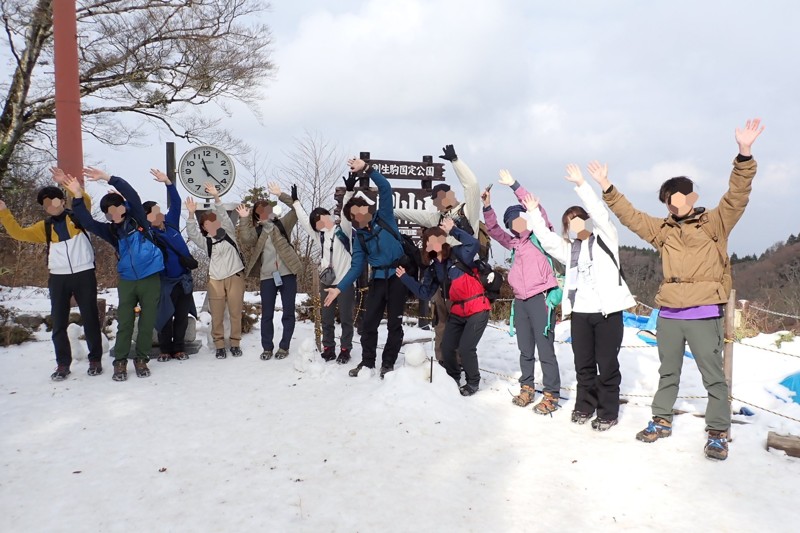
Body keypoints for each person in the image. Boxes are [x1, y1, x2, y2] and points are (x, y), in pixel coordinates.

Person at [598, 118, 764, 460]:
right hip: (670, 312)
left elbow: (737, 195)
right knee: (668, 370)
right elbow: (632, 216)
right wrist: (607, 188)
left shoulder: (716, 222)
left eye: (674, 199)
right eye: (666, 202)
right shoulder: (664, 230)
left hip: (705, 311)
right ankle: (661, 419)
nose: (671, 207)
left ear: (690, 197)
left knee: (713, 375)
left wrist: (744, 154)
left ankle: (718, 431)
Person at [523, 163, 636, 430]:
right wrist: (533, 213)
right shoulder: (570, 250)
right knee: (583, 365)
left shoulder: (606, 238)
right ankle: (585, 406)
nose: (574, 224)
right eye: (569, 222)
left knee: (607, 365)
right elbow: (548, 240)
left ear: (586, 220)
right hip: (581, 315)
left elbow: (601, 213)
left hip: (608, 313)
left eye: (578, 218)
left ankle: (607, 411)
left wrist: (582, 185)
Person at [0, 168, 103, 380]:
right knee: (58, 322)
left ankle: (95, 359)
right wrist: (4, 212)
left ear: (62, 201)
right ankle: (62, 364)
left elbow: (84, 199)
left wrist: (67, 184)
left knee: (91, 317)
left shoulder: (78, 217)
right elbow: (18, 233)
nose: (53, 206)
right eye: (48, 204)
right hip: (58, 277)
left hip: (84, 273)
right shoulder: (43, 228)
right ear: (44, 208)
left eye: (56, 201)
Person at [65, 168, 165, 382]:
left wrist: (108, 178)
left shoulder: (138, 218)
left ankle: (141, 359)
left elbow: (132, 195)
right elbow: (87, 222)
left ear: (123, 207)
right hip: (128, 281)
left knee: (147, 322)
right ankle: (120, 361)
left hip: (150, 278)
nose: (115, 213)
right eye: (109, 211)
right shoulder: (110, 231)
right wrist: (77, 196)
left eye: (117, 207)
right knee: (125, 322)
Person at [393, 144, 483, 364]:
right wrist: (385, 209)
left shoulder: (466, 211)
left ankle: (460, 366)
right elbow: (412, 215)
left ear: (447, 195)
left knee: (461, 325)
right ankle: (445, 366)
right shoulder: (437, 219)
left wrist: (455, 161)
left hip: (463, 280)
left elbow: (472, 186)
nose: (435, 203)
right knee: (441, 324)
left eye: (437, 199)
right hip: (442, 281)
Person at [482, 169, 561, 414]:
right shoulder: (514, 243)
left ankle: (551, 394)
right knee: (525, 349)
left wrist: (514, 185)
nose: (515, 225)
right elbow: (494, 231)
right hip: (521, 302)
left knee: (545, 349)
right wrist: (487, 207)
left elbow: (536, 209)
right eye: (511, 223)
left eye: (519, 219)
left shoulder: (541, 235)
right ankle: (527, 387)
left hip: (541, 299)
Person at [324, 158, 406, 379]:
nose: (359, 216)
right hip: (378, 280)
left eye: (361, 210)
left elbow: (385, 188)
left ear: (368, 209)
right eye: (354, 215)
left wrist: (367, 169)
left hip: (398, 277)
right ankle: (368, 362)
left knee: (394, 325)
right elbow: (355, 267)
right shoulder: (360, 238)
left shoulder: (385, 216)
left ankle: (388, 363)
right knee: (369, 323)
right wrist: (339, 288)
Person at [396, 217, 490, 395]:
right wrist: (405, 278)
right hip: (458, 311)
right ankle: (453, 377)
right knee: (447, 346)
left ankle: (472, 382)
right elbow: (424, 292)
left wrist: (453, 229)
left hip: (477, 307)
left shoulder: (459, 254)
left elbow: (474, 244)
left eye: (437, 238)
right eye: (429, 241)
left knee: (466, 347)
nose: (434, 243)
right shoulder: (433, 269)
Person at [292, 175, 356, 363]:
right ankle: (329, 348)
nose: (320, 223)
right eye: (316, 222)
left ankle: (345, 349)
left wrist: (349, 192)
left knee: (346, 318)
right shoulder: (319, 236)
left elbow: (345, 212)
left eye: (321, 219)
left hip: (344, 282)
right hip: (327, 282)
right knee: (327, 318)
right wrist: (296, 202)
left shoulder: (343, 230)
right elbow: (304, 221)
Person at [236, 182, 302, 361]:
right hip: (267, 277)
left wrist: (282, 195)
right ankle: (267, 347)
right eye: (261, 211)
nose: (265, 212)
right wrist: (243, 218)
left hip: (287, 274)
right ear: (257, 215)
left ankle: (284, 346)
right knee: (267, 314)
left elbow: (297, 210)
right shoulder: (257, 232)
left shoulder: (283, 225)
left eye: (267, 209)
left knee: (288, 312)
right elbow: (245, 239)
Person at [185, 183, 246, 359]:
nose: (211, 225)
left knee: (235, 313)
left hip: (235, 275)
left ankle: (235, 343)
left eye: (213, 222)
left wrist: (216, 196)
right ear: (204, 227)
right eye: (206, 224)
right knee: (217, 315)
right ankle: (219, 345)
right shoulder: (207, 242)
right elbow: (193, 234)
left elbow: (223, 215)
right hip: (215, 280)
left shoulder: (229, 233)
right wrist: (190, 214)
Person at [143, 169, 198, 362]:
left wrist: (168, 182)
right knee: (164, 316)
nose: (159, 214)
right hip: (163, 281)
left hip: (183, 279)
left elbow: (175, 204)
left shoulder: (172, 224)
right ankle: (165, 349)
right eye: (155, 212)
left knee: (182, 315)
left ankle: (179, 348)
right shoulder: (147, 234)